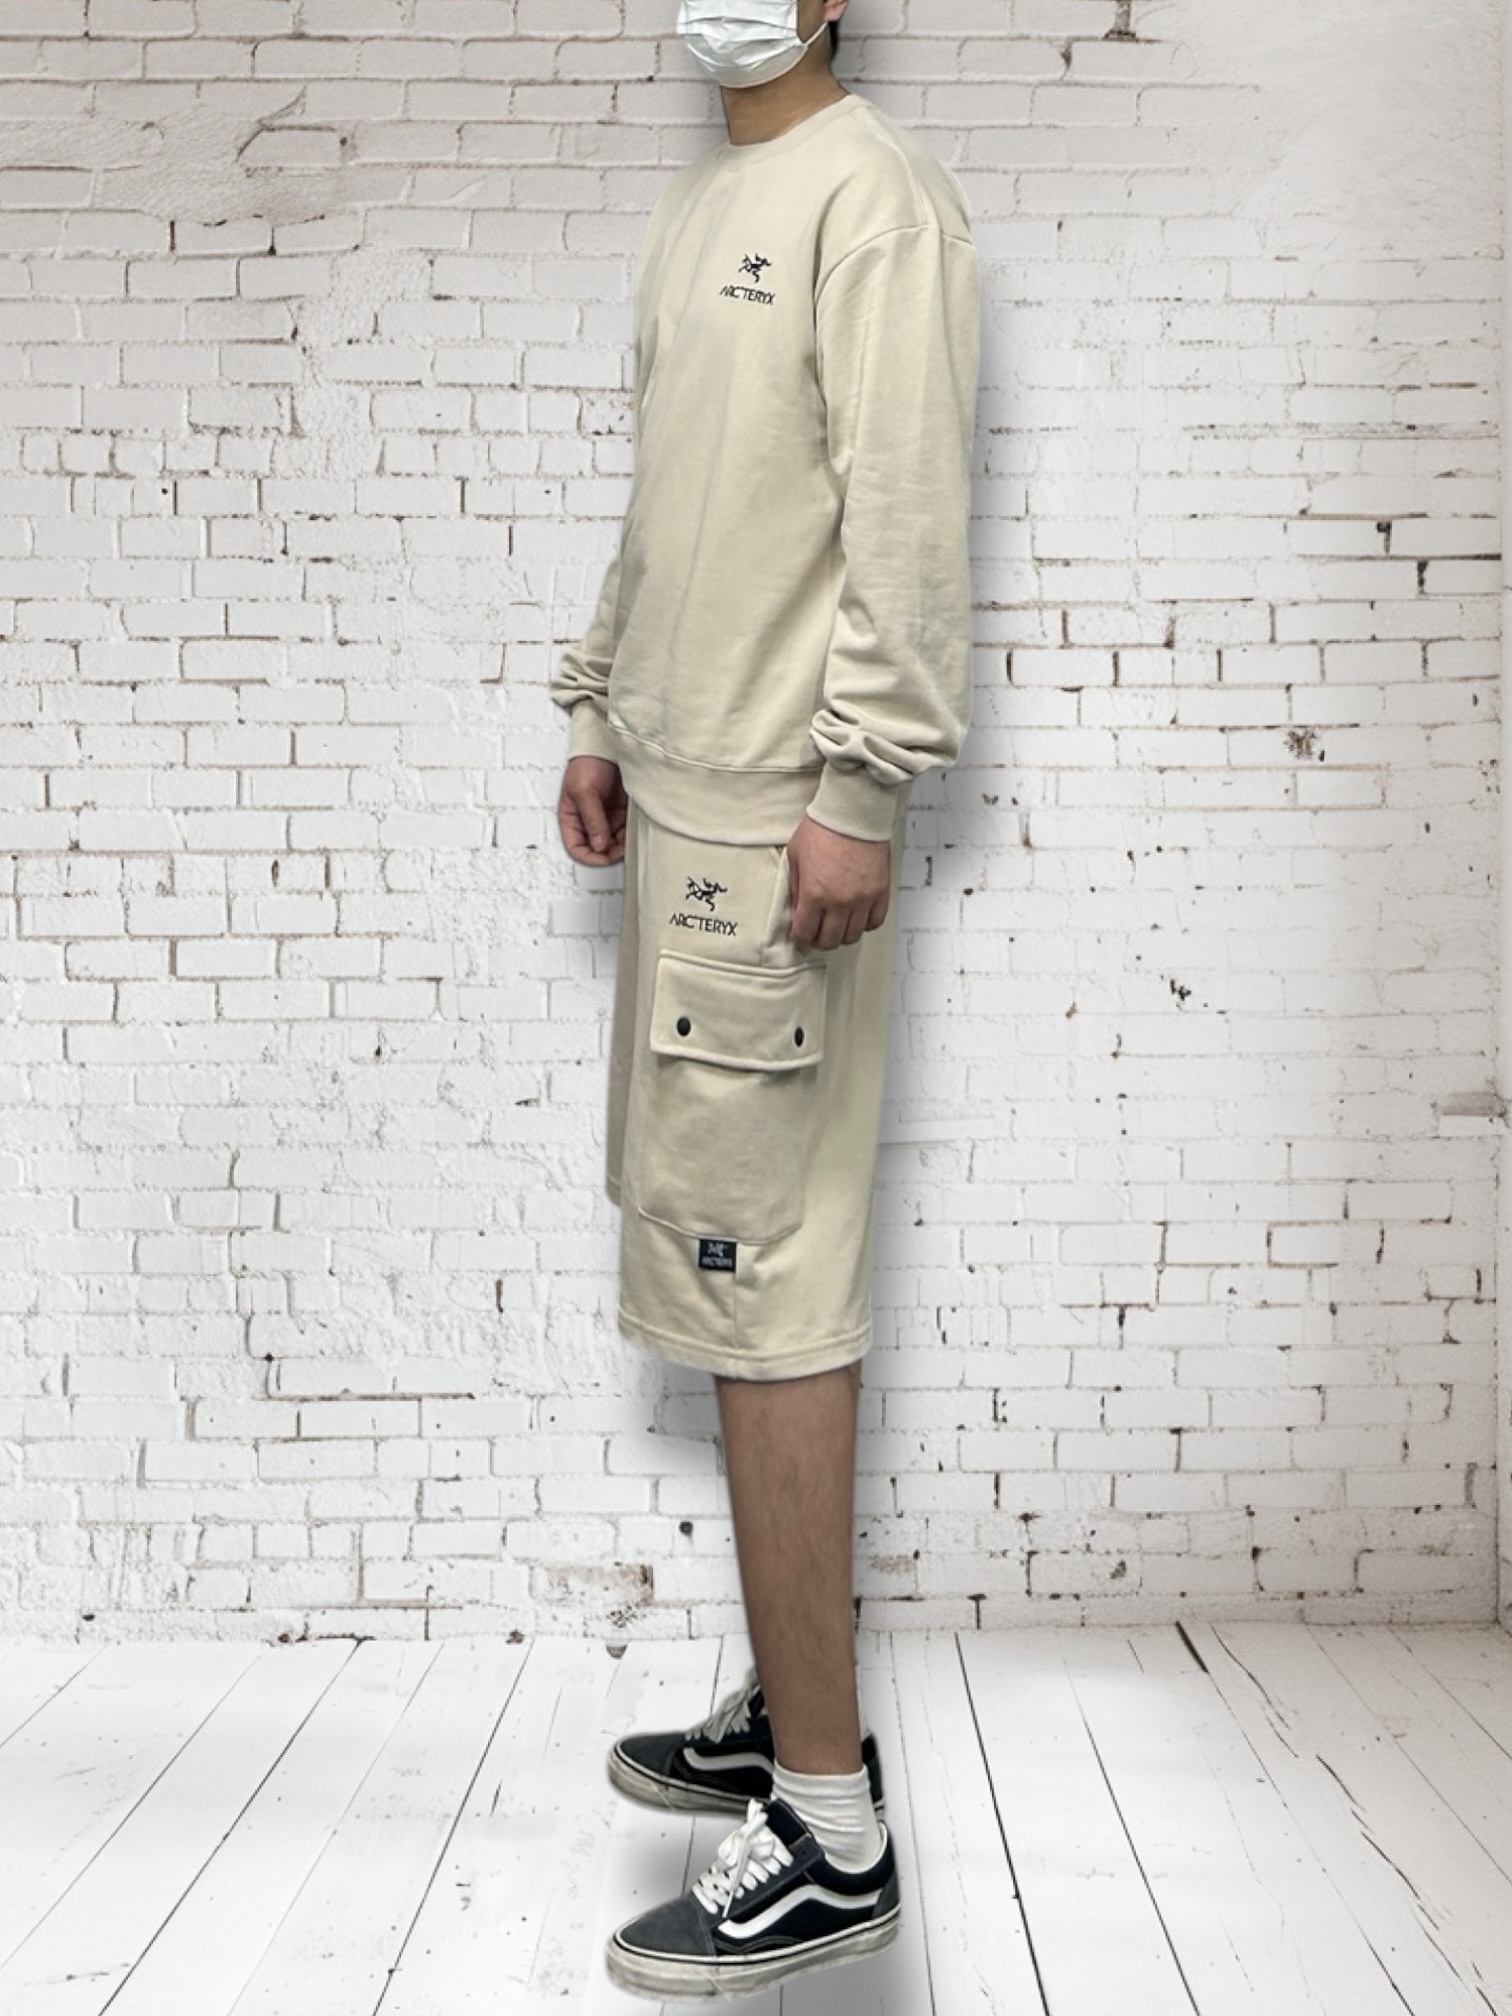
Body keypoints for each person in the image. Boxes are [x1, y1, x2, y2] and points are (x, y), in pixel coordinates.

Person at [550, 0, 979, 1997]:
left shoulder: (871, 201)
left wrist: (862, 786)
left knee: (771, 1297)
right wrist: (597, 705)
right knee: (728, 1281)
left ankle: (829, 1829)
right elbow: (679, 500)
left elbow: (905, 516)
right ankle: (791, 1718)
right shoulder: (702, 203)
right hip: (686, 805)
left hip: (780, 832)